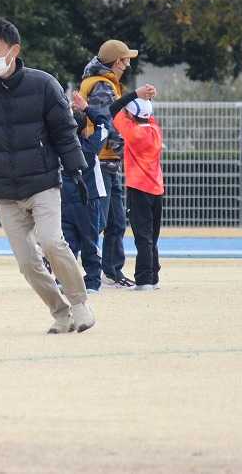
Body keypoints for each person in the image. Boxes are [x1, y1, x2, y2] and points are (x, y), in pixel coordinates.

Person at [0, 16, 95, 334]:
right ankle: (60, 313)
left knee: (52, 242)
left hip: (43, 182)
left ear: (14, 50)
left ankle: (80, 304)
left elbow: (64, 132)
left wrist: (77, 170)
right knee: (27, 263)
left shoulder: (44, 85)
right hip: (4, 190)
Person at [79, 40, 155, 289]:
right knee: (98, 220)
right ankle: (63, 264)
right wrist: (125, 146)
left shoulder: (105, 82)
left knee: (116, 221)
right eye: (125, 59)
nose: (128, 64)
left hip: (107, 160)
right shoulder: (102, 84)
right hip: (100, 159)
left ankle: (111, 271)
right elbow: (105, 118)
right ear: (117, 61)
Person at [110, 92, 164, 291]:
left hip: (139, 188)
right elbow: (146, 115)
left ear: (131, 115)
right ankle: (154, 277)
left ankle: (143, 280)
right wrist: (146, 98)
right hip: (157, 188)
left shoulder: (132, 132)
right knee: (152, 237)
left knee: (142, 236)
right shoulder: (155, 130)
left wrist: (136, 94)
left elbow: (113, 109)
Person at [61, 91, 110, 294]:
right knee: (90, 241)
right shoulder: (90, 146)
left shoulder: (59, 148)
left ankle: (64, 281)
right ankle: (92, 281)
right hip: (88, 199)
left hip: (64, 199)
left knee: (67, 243)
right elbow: (105, 124)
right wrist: (87, 108)